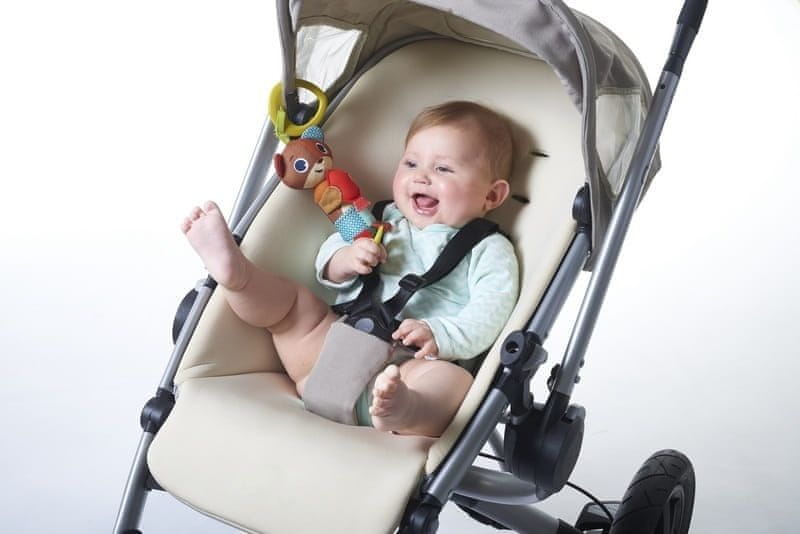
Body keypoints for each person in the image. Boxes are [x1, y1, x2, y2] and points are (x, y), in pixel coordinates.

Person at [181, 101, 519, 438]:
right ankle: (237, 276)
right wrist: (345, 260)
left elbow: (491, 312)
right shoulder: (383, 218)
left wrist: (439, 333)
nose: (421, 176)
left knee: (455, 383)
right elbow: (328, 256)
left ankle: (403, 408)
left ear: (492, 195)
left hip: (409, 365)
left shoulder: (489, 249)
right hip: (328, 350)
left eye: (443, 169)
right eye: (411, 163)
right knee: (293, 305)